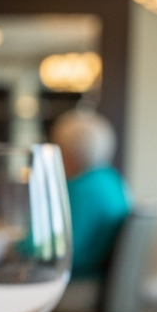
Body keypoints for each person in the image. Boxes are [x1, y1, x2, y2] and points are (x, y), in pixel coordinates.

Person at [51, 110, 131, 281]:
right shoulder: (112, 179)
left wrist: (18, 249)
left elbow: (64, 251)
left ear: (69, 153)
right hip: (103, 277)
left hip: (81, 278)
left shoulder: (82, 187)